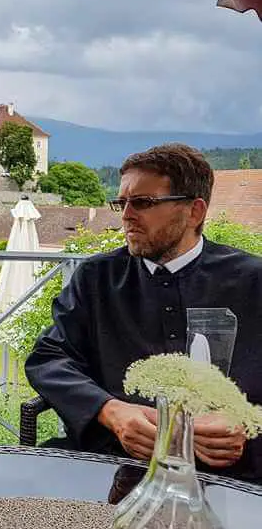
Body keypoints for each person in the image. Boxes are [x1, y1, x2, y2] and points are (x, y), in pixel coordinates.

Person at [25, 143, 262, 483]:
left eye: (143, 202)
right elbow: (49, 358)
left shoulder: (253, 281)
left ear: (194, 212)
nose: (126, 215)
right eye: (122, 202)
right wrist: (110, 411)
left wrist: (246, 422)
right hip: (112, 467)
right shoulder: (97, 278)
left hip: (235, 479)